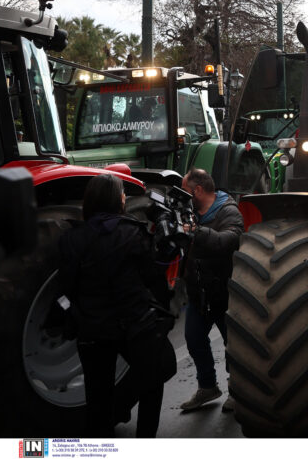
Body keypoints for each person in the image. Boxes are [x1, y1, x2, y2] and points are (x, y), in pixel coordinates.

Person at [58, 174, 176, 437]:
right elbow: (152, 276)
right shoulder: (132, 232)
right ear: (116, 199)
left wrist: (73, 316)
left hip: (92, 332)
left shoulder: (71, 238)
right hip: (133, 326)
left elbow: (65, 288)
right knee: (154, 380)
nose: (124, 198)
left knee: (97, 398)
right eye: (122, 193)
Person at [179, 168, 244, 412]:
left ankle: (236, 391)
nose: (182, 196)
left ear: (197, 190)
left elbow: (230, 240)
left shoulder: (228, 211)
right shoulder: (189, 211)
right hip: (198, 293)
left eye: (185, 190)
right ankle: (208, 387)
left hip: (225, 292)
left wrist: (197, 232)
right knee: (194, 340)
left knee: (233, 346)